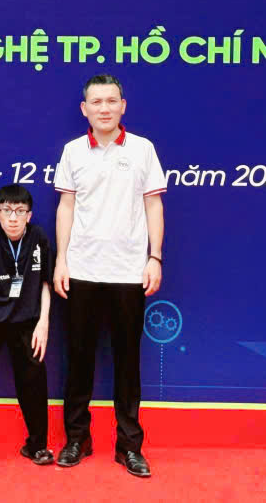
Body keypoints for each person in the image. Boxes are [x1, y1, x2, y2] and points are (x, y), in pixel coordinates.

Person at [52, 73, 166, 478]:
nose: (104, 108)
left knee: (127, 363)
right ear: (85, 109)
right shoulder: (72, 151)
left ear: (123, 106)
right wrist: (61, 260)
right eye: (96, 102)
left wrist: (155, 257)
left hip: (129, 273)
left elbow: (153, 206)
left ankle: (129, 446)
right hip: (81, 270)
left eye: (111, 101)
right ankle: (77, 439)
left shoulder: (142, 149)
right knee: (78, 360)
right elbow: (66, 207)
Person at [0, 184, 53, 467]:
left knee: (34, 380)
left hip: (27, 321)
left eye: (19, 211)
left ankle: (37, 446)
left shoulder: (39, 238)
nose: (13, 218)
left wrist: (43, 323)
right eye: (7, 211)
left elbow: (46, 284)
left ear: (29, 215)